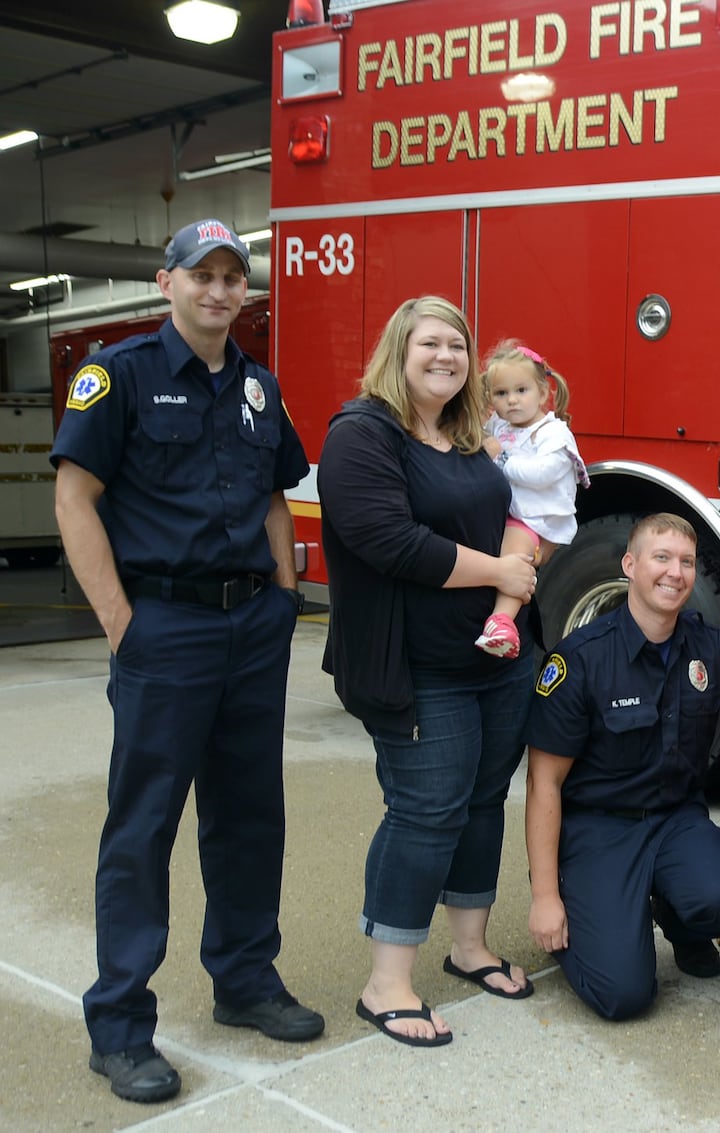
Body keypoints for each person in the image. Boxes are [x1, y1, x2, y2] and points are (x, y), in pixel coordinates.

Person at [50, 218, 323, 1104]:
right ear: (165, 283)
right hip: (163, 628)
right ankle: (121, 1025)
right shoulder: (118, 375)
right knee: (143, 829)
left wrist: (284, 598)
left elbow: (278, 496)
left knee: (249, 816)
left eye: (232, 277)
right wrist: (122, 623)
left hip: (252, 627)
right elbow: (74, 497)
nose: (217, 290)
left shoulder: (257, 387)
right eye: (199, 274)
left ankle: (245, 981)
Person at [319, 296, 541, 1048]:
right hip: (416, 666)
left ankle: (468, 945)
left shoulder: (469, 437)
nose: (446, 356)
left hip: (494, 660)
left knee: (482, 800)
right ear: (398, 351)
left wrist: (517, 574)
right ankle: (386, 984)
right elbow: (392, 541)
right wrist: (504, 569)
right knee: (425, 810)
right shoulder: (361, 434)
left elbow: (519, 513)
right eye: (430, 344)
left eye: (458, 345)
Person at [524, 513, 720, 1021]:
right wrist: (545, 896)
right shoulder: (581, 660)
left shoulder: (709, 649)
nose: (675, 573)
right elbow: (544, 783)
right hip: (600, 828)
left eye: (686, 562)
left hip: (676, 820)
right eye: (661, 558)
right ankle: (585, 907)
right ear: (630, 565)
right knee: (624, 996)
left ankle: (676, 918)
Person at [474, 342, 589, 659]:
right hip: (511, 512)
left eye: (521, 390)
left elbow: (543, 473)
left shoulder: (552, 432)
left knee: (514, 562)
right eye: (501, 393)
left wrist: (500, 459)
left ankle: (501, 622)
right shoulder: (498, 426)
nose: (511, 400)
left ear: (542, 393)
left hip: (535, 519)